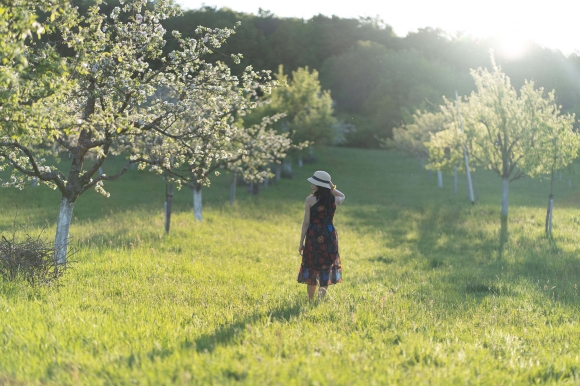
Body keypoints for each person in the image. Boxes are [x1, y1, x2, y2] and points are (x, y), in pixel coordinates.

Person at [297, 170, 345, 301]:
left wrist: (301, 242)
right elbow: (343, 195)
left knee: (312, 266)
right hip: (329, 236)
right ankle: (319, 301)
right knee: (325, 267)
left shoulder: (310, 200)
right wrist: (331, 186)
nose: (312, 186)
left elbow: (306, 222)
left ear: (320, 186)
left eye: (314, 183)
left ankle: (310, 300)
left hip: (314, 236)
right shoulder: (334, 200)